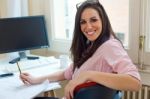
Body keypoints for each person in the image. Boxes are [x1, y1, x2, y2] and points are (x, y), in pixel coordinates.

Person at [20, 0, 141, 99]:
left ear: (103, 20)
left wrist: (88, 75)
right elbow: (66, 73)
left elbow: (135, 83)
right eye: (83, 22)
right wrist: (36, 79)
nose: (88, 26)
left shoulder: (110, 46)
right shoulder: (92, 45)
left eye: (93, 20)